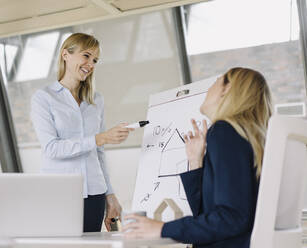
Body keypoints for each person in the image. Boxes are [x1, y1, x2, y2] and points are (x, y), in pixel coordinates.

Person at [123, 67, 272, 247]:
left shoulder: (225, 131)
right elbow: (207, 213)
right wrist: (196, 161)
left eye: (215, 83)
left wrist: (162, 228)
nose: (208, 90)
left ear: (226, 89)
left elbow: (232, 217)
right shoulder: (248, 137)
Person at [31, 33, 132, 232]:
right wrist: (99, 138)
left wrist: (110, 196)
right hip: (59, 194)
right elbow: (52, 148)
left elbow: (99, 153)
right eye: (86, 56)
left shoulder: (96, 100)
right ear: (65, 55)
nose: (91, 64)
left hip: (95, 193)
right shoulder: (44, 98)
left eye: (95, 60)